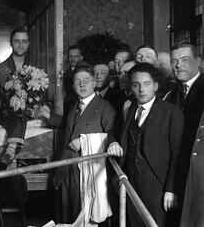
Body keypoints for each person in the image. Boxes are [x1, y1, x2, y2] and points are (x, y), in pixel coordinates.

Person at [107, 62, 185, 227]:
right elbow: (114, 133)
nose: (141, 89)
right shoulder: (129, 109)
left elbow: (178, 154)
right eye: (136, 85)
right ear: (131, 87)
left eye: (146, 84)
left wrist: (172, 189)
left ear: (156, 86)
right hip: (130, 182)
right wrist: (113, 142)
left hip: (158, 185)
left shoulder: (172, 112)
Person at [37, 64, 116, 224]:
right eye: (77, 81)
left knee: (83, 218)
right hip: (65, 169)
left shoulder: (105, 108)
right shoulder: (73, 106)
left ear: (95, 82)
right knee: (65, 217)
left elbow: (113, 135)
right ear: (72, 85)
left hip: (86, 172)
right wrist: (49, 116)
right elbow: (67, 124)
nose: (82, 84)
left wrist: (85, 141)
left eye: (86, 80)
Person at [165, 42, 204, 227]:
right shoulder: (170, 94)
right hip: (178, 173)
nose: (178, 65)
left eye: (185, 60)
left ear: (199, 61)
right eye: (174, 61)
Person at [0, 26, 30, 167]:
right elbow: (6, 94)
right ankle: (11, 151)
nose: (20, 45)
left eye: (24, 41)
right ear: (11, 43)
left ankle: (11, 149)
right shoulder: (2, 67)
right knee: (18, 112)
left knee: (23, 111)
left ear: (28, 43)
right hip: (9, 109)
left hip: (31, 107)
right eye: (17, 41)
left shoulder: (35, 66)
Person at [63, 45, 83, 111]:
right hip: (70, 107)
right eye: (70, 56)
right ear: (67, 58)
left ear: (81, 57)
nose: (73, 59)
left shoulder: (87, 73)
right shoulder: (65, 74)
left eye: (76, 56)